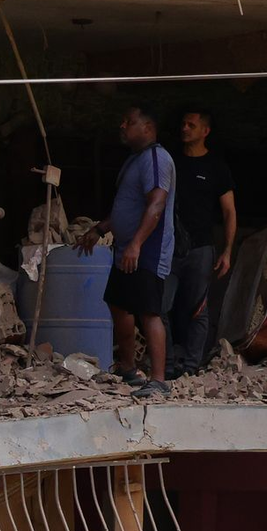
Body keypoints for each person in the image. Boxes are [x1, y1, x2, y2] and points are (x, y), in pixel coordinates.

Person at [78, 105, 175, 399]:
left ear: (148, 128)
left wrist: (136, 243)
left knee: (149, 311)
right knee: (118, 303)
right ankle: (129, 369)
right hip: (126, 248)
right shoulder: (135, 160)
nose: (122, 126)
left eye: (129, 122)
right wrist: (100, 228)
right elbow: (127, 205)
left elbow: (156, 204)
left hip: (146, 249)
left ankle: (158, 380)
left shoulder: (157, 159)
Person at [165, 108, 236, 377]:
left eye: (191, 125)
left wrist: (227, 251)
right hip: (168, 247)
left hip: (201, 247)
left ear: (205, 131)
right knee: (160, 307)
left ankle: (192, 367)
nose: (184, 128)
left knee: (197, 308)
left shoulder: (216, 167)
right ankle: (166, 365)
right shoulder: (170, 162)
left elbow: (229, 212)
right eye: (182, 123)